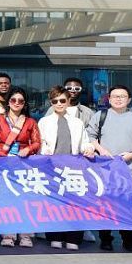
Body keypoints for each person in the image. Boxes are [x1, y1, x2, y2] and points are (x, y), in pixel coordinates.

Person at [84, 84, 132, 251]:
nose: (118, 99)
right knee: (104, 204)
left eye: (122, 96)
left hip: (129, 169)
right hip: (103, 168)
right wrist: (100, 150)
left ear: (129, 99)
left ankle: (129, 239)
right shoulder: (100, 116)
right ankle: (105, 238)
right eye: (115, 96)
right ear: (109, 99)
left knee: (127, 205)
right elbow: (90, 136)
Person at [37, 85, 90, 250]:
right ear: (51, 103)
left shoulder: (77, 122)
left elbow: (84, 142)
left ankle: (73, 237)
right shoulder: (44, 122)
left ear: (68, 101)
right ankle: (55, 236)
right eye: (55, 101)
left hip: (74, 169)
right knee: (54, 204)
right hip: (51, 168)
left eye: (62, 100)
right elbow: (39, 142)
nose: (59, 104)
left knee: (75, 204)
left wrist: (88, 148)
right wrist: (44, 150)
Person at [0, 88, 41, 248]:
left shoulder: (30, 122)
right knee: (6, 201)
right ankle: (8, 234)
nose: (17, 103)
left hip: (23, 165)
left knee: (24, 200)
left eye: (20, 101)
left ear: (25, 104)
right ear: (8, 102)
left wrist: (28, 149)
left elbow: (37, 142)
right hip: (3, 164)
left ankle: (25, 234)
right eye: (13, 100)